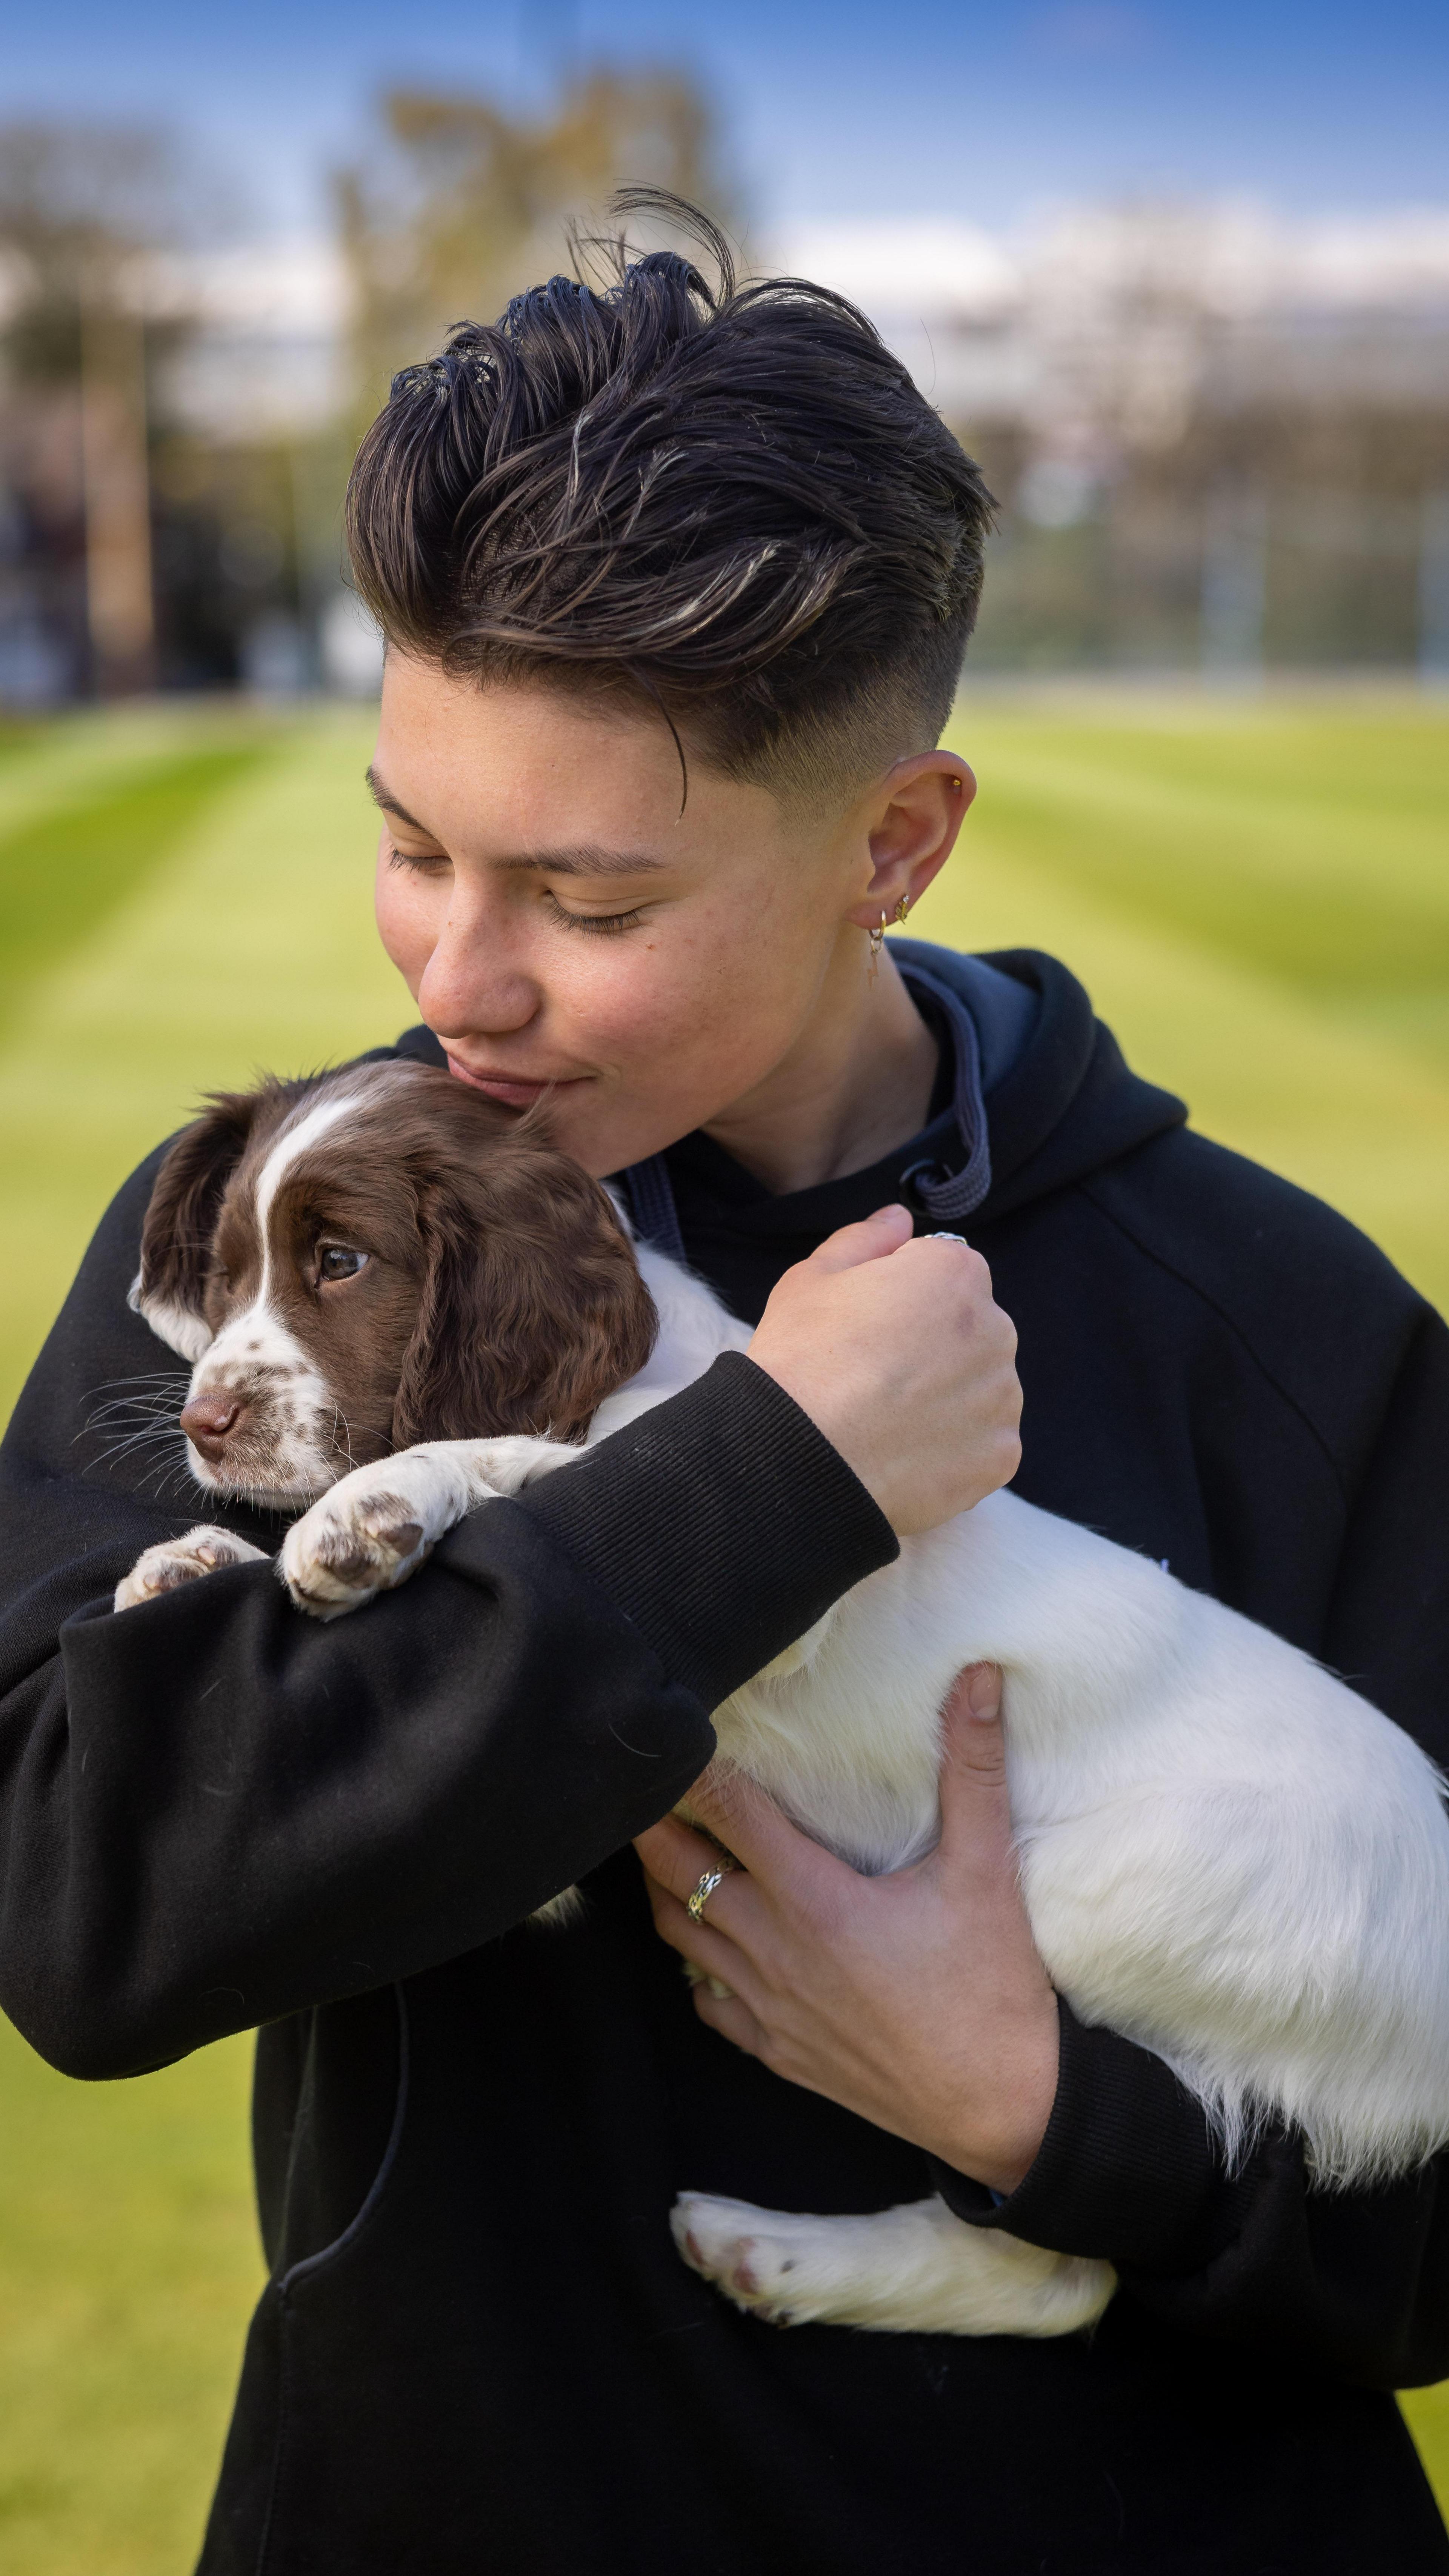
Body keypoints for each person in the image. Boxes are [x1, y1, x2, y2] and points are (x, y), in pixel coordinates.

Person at [1, 202, 1447, 2576]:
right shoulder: (288, 1235)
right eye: (404, 843)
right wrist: (759, 1490)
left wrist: (1057, 2120)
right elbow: (79, 1903)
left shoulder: (1279, 1332)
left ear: (896, 838)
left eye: (587, 905)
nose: (459, 981)